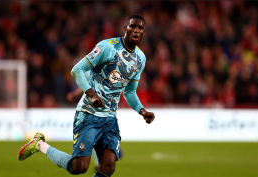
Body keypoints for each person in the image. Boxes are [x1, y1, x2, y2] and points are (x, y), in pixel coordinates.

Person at [18, 14, 155, 177]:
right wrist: (92, 94)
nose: (136, 30)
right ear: (125, 28)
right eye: (133, 26)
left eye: (140, 28)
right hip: (89, 114)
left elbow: (130, 92)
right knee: (79, 167)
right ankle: (39, 145)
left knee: (109, 166)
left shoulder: (140, 59)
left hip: (110, 118)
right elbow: (77, 69)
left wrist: (142, 111)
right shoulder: (107, 47)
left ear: (144, 32)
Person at [66, 86, 124, 170]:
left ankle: (109, 151)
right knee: (96, 139)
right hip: (93, 113)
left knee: (98, 139)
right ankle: (101, 160)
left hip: (105, 113)